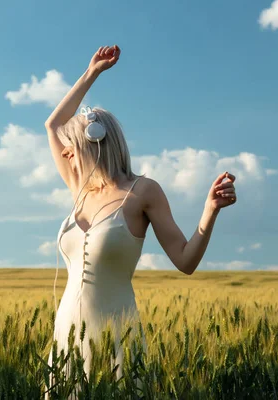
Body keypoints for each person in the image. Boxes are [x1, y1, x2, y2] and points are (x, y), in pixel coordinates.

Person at [43, 44, 237, 398]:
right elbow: (53, 124)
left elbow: (185, 260)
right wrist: (92, 73)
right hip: (67, 331)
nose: (65, 152)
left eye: (72, 146)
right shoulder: (79, 189)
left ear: (96, 142)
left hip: (117, 334)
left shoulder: (143, 192)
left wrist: (210, 211)